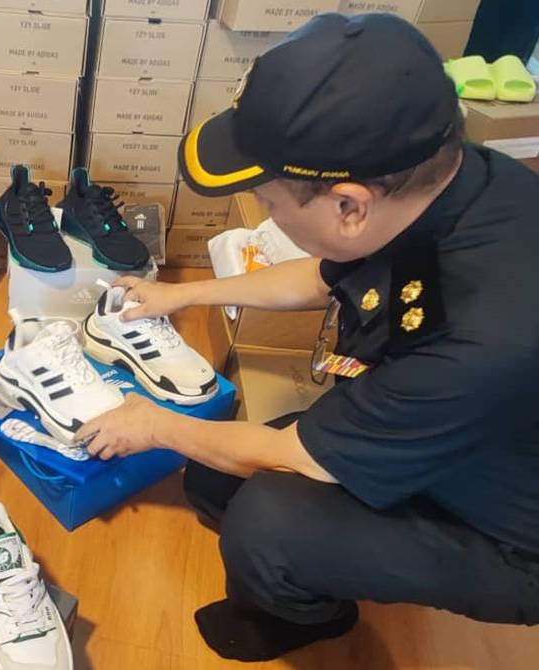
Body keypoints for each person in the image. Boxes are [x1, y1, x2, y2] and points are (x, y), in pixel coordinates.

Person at [73, 12, 539, 663]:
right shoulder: (442, 179)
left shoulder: (480, 336)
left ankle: (308, 615)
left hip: (509, 533)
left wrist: (153, 425)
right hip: (448, 430)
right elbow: (326, 274)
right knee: (212, 479)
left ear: (349, 207)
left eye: (269, 204)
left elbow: (292, 457)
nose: (266, 216)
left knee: (266, 523)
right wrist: (182, 295)